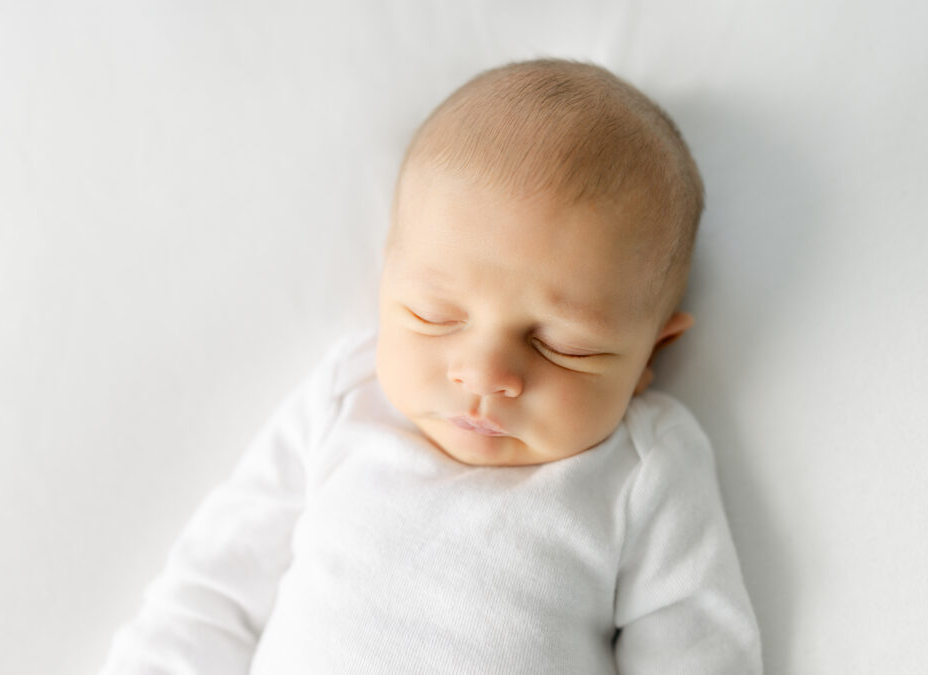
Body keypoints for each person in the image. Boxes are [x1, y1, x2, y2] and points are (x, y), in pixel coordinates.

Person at [102, 58, 762, 673]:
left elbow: (699, 644)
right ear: (388, 281)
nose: (483, 372)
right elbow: (213, 587)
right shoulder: (347, 395)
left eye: (563, 345)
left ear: (651, 353)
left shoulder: (641, 466)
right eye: (434, 314)